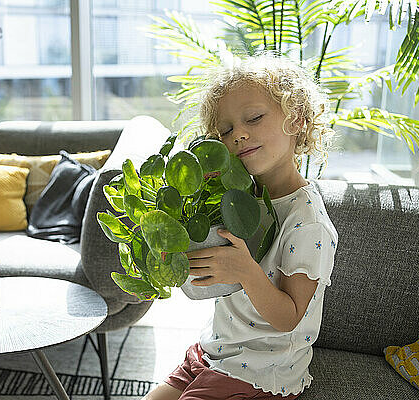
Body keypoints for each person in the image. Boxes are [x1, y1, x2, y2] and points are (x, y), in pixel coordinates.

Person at [143, 51, 339, 400]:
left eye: (254, 118)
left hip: (258, 372)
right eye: (226, 129)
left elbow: (288, 318)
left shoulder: (308, 223)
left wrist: (247, 272)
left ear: (295, 120)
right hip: (214, 351)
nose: (238, 136)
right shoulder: (238, 195)